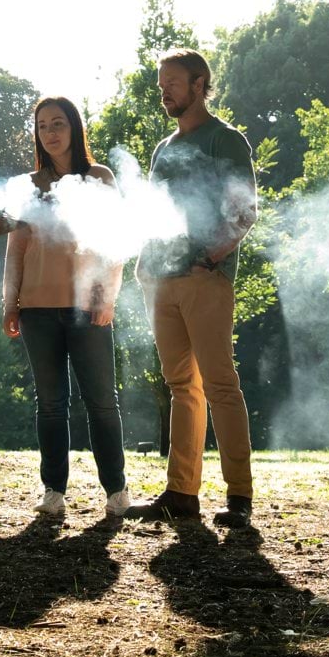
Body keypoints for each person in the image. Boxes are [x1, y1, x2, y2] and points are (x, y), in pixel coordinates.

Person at [128, 48, 259, 529]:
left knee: (220, 385)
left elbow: (244, 211)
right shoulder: (163, 148)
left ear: (199, 83)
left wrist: (211, 258)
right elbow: (153, 211)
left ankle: (239, 497)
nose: (164, 90)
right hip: (161, 279)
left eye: (173, 82)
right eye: (161, 82)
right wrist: (144, 265)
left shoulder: (226, 141)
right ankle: (182, 493)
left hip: (205, 279)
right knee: (182, 386)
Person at [2, 95, 129, 521]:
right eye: (42, 126)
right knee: (51, 404)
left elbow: (116, 242)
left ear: (74, 127)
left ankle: (116, 491)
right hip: (37, 308)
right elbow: (15, 249)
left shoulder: (99, 177)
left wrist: (107, 297)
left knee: (101, 402)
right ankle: (53, 491)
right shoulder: (26, 186)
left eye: (58, 123)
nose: (50, 133)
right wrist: (10, 303)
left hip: (87, 308)